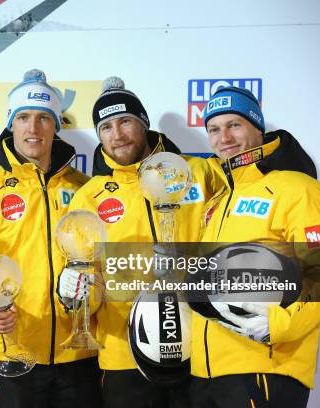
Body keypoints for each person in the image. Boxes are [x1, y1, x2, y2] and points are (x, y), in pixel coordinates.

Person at [0, 69, 101, 408]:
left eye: (44, 118)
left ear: (56, 125)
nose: (33, 128)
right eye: (24, 117)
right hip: (11, 355)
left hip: (78, 358)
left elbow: (101, 263)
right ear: (11, 123)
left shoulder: (85, 189)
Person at [57, 77, 219, 407]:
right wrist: (76, 293)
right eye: (106, 127)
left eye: (126, 122)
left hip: (199, 344)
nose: (117, 135)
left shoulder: (199, 172)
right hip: (124, 354)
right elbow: (86, 275)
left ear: (143, 122)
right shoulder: (90, 196)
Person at [190, 86, 320, 407]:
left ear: (257, 127)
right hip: (206, 374)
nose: (224, 138)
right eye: (214, 129)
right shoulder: (217, 202)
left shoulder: (299, 189)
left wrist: (278, 325)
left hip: (265, 369)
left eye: (235, 125)